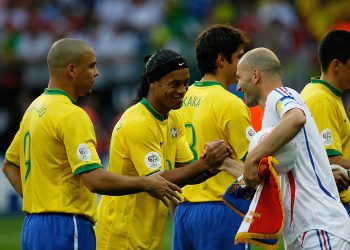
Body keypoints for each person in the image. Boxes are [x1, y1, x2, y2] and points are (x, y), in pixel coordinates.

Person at [2, 38, 185, 250]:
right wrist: (146, 183)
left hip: (33, 226)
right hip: (67, 226)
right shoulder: (72, 115)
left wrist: (38, 205)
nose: (96, 73)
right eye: (91, 66)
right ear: (72, 70)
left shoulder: (35, 109)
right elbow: (93, 179)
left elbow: (9, 165)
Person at [95, 49, 232, 250]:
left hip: (148, 235)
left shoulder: (172, 118)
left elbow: (188, 171)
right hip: (121, 237)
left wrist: (213, 165)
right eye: (174, 84)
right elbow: (157, 181)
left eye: (185, 83)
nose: (183, 90)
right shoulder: (139, 122)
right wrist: (205, 163)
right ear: (153, 84)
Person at [237, 47, 350, 249]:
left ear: (255, 75)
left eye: (240, 77)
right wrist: (224, 163)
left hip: (319, 227)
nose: (237, 86)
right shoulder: (272, 120)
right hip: (304, 231)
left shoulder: (280, 94)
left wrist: (253, 156)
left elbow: (296, 117)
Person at [173, 24, 253, 250]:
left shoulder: (179, 101)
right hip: (222, 211)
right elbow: (252, 168)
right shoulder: (230, 103)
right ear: (221, 59)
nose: (242, 64)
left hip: (184, 211)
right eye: (238, 57)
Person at [300, 30, 350, 216]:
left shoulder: (326, 94)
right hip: (332, 206)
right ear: (336, 65)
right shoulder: (321, 99)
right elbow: (328, 160)